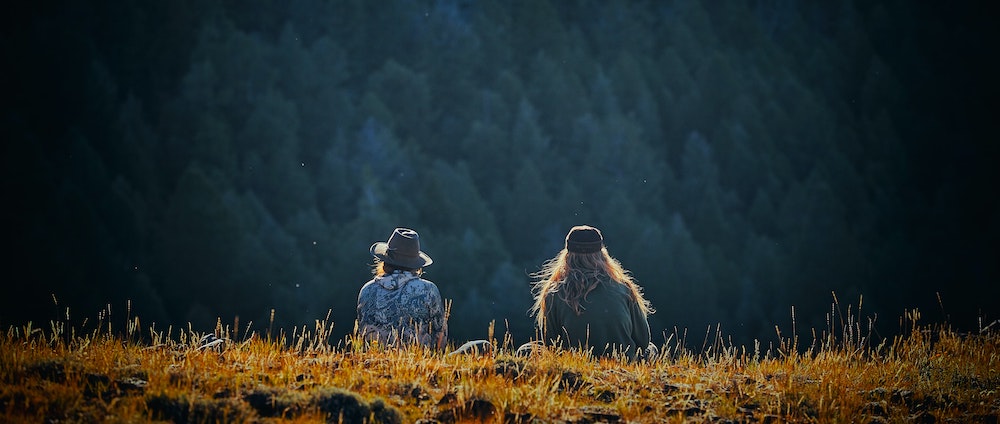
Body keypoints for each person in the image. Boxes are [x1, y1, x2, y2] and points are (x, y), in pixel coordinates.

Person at [529, 225, 657, 360]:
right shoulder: (623, 288)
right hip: (623, 365)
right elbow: (643, 341)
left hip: (575, 366)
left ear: (567, 255)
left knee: (525, 350)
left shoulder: (554, 292)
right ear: (602, 254)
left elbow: (551, 345)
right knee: (652, 349)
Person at [356, 228, 448, 350]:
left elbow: (362, 335)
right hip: (417, 364)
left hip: (375, 363)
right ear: (415, 264)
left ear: (385, 260)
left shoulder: (367, 290)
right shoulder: (428, 290)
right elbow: (441, 338)